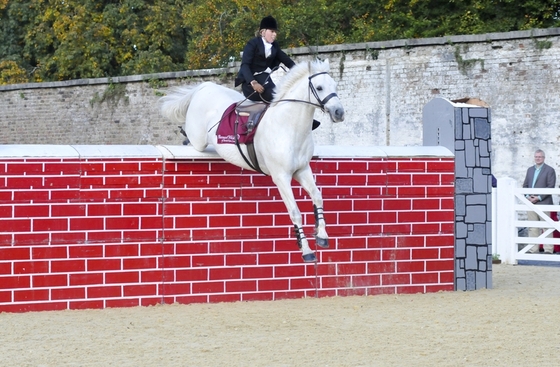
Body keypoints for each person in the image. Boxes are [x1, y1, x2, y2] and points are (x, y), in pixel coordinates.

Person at [234, 15, 320, 129]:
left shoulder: (274, 46)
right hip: (250, 83)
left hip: (265, 80)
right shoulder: (252, 44)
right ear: (263, 32)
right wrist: (253, 83)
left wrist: (301, 73)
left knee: (284, 93)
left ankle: (300, 120)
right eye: (272, 31)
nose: (274, 34)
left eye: (275, 32)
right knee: (276, 95)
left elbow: (287, 61)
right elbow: (244, 66)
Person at [522, 149, 557, 253]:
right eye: (536, 156)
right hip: (530, 203)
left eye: (540, 157)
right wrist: (528, 196)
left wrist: (539, 197)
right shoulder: (530, 170)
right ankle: (533, 249)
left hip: (544, 202)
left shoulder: (550, 170)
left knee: (546, 227)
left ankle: (548, 249)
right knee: (533, 227)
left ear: (543, 158)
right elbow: (525, 185)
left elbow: (550, 186)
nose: (537, 158)